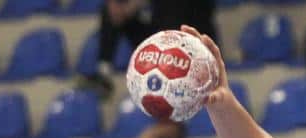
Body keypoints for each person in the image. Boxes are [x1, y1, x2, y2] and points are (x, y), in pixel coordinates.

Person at [82, 0, 217, 98]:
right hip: (160, 34)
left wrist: (133, 4)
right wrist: (124, 6)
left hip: (191, 36)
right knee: (112, 8)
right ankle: (104, 71)